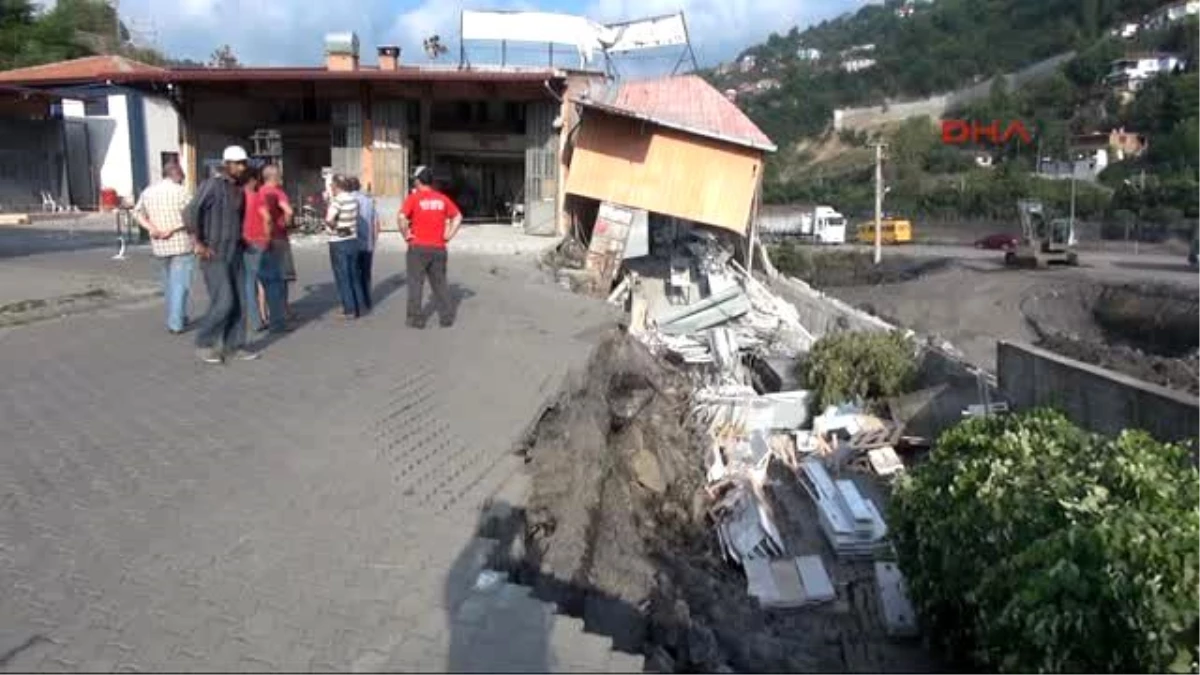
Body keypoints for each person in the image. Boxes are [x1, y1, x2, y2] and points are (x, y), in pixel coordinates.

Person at [185, 145, 258, 364]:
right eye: (238, 163)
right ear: (227, 164)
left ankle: (233, 346)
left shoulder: (238, 190)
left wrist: (243, 241)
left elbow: (237, 220)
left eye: (244, 163)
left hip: (235, 252)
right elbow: (191, 211)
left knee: (240, 303)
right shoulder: (212, 185)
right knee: (224, 301)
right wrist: (197, 242)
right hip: (213, 252)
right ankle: (204, 342)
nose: (242, 167)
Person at [132, 163, 194, 335]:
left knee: (168, 284)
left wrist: (151, 228)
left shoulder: (148, 192)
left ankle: (177, 315)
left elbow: (136, 212)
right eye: (182, 175)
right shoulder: (182, 192)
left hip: (159, 245)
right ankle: (176, 322)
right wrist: (172, 229)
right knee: (180, 284)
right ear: (178, 175)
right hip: (180, 243)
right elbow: (191, 217)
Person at [398, 165, 462, 329]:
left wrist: (406, 234)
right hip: (438, 248)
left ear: (418, 181)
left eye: (415, 180)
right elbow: (458, 217)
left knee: (415, 284)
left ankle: (415, 319)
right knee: (440, 284)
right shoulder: (442, 199)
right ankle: (446, 318)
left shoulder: (414, 198)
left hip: (418, 248)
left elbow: (401, 218)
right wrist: (449, 235)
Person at [257, 164, 293, 331]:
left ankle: (263, 315)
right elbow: (289, 211)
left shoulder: (259, 192)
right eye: (280, 175)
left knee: (262, 280)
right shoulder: (278, 192)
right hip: (278, 237)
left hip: (260, 240)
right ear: (275, 176)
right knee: (281, 277)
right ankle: (283, 312)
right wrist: (286, 221)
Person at [325, 174, 365, 319]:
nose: (331, 188)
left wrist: (338, 229)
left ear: (336, 186)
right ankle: (357, 306)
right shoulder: (354, 199)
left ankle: (349, 310)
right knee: (353, 274)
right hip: (352, 240)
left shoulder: (337, 201)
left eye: (332, 185)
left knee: (342, 276)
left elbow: (329, 220)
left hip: (338, 241)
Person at [349, 177, 380, 313]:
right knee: (366, 274)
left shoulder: (347, 200)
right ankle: (367, 301)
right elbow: (376, 224)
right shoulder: (368, 201)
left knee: (353, 274)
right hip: (368, 244)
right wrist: (373, 240)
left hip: (352, 243)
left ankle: (356, 303)